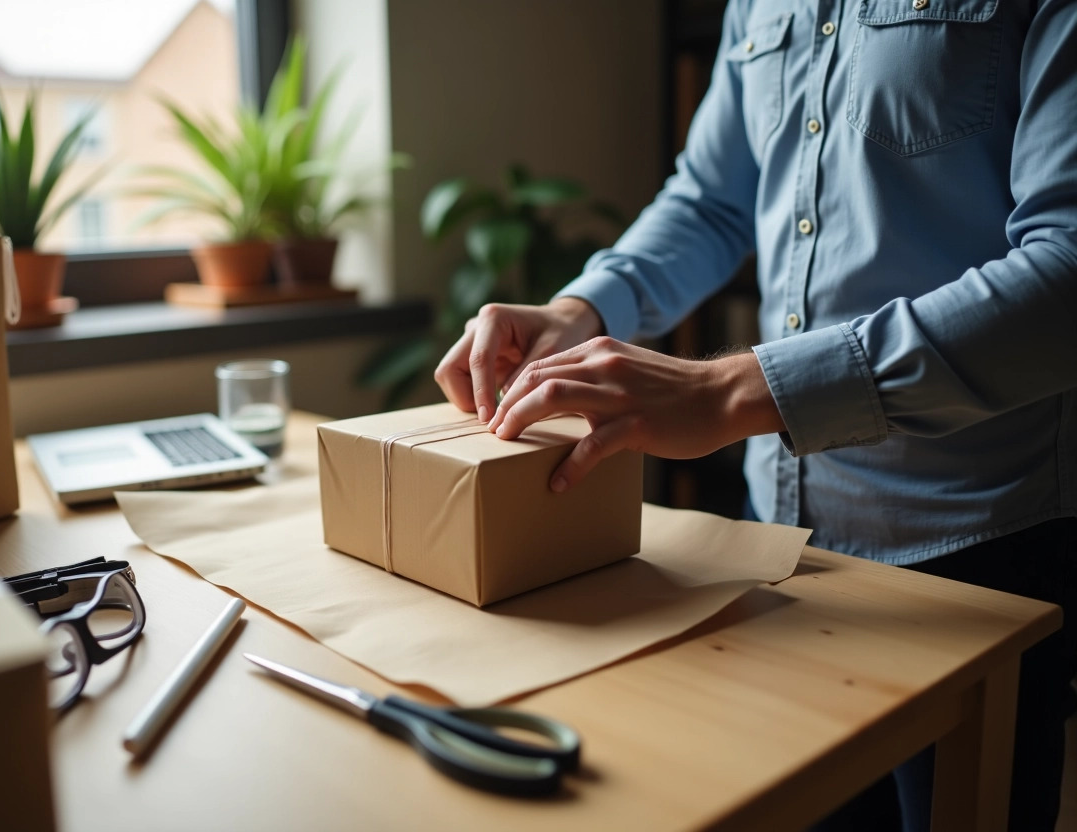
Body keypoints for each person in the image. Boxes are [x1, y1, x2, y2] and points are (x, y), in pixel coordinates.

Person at [433, 0, 1077, 829]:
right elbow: (711, 202)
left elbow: (1065, 275)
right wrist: (585, 307)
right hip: (776, 537)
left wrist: (726, 393)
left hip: (978, 539)